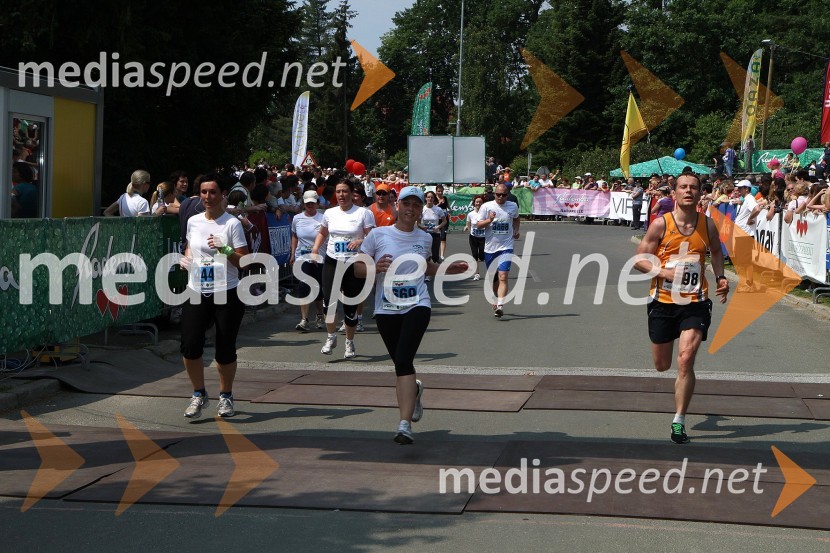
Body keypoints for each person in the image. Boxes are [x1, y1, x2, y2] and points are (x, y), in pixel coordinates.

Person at [355, 186, 468, 444]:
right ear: (397, 205)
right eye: (406, 204)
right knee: (401, 365)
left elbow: (425, 266)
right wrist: (374, 266)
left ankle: (404, 424)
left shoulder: (426, 238)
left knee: (404, 360)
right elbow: (358, 270)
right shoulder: (378, 235)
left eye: (416, 206)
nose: (411, 209)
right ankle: (414, 389)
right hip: (386, 307)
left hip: (418, 303)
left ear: (421, 211)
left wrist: (447, 269)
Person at [634, 173, 730, 444]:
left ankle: (679, 420)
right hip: (663, 302)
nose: (688, 191)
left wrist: (721, 277)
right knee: (662, 365)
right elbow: (639, 261)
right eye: (683, 187)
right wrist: (663, 272)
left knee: (686, 358)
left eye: (693, 188)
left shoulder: (708, 225)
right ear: (674, 193)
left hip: (695, 302)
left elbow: (716, 252)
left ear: (700, 193)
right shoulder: (660, 225)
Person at [179, 174, 250, 419]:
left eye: (212, 192)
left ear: (222, 195)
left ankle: (226, 396)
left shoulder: (232, 224)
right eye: (204, 192)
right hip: (197, 289)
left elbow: (244, 261)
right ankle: (199, 394)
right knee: (189, 345)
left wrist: (225, 249)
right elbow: (190, 245)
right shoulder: (194, 221)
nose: (208, 197)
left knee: (225, 348)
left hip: (227, 291)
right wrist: (186, 258)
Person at [311, 178, 375, 358]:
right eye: (338, 192)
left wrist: (360, 240)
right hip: (332, 260)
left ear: (352, 193)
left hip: (354, 263)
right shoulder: (330, 213)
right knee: (328, 303)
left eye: (345, 191)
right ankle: (331, 337)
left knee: (350, 306)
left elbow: (373, 237)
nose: (341, 195)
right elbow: (323, 233)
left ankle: (349, 342)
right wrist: (315, 249)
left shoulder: (363, 213)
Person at [477, 183, 520, 318]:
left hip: (506, 247)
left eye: (504, 195)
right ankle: (496, 298)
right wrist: (489, 220)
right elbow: (478, 225)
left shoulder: (512, 206)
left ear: (508, 195)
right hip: (490, 248)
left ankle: (500, 305)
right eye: (498, 194)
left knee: (503, 276)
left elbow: (517, 218)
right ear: (494, 194)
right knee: (494, 278)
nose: (501, 197)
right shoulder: (486, 206)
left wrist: (517, 229)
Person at [291, 190, 326, 332]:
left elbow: (327, 236)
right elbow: (294, 236)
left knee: (317, 287)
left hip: (320, 257)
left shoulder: (323, 218)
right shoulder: (297, 218)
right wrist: (292, 253)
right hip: (302, 256)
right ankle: (304, 319)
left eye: (313, 202)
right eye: (307, 203)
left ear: (317, 203)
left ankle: (319, 315)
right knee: (304, 286)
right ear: (303, 204)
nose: (310, 205)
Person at [418, 191, 448, 276]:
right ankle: (427, 273)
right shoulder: (422, 209)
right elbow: (418, 223)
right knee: (426, 254)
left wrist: (438, 227)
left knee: (435, 256)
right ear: (426, 198)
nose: (430, 199)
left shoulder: (438, 209)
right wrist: (422, 227)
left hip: (435, 234)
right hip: (425, 234)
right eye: (428, 197)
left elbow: (444, 221)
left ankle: (442, 266)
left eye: (432, 197)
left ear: (434, 199)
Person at [463, 195, 486, 280]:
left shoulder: (485, 214)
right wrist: (468, 228)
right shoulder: (470, 214)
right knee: (475, 255)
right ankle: (477, 274)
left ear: (483, 203)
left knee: (482, 256)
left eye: (480, 202)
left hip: (483, 237)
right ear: (474, 203)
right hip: (473, 237)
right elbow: (468, 223)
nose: (478, 203)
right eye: (477, 202)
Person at [434, 184, 450, 260]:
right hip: (436, 220)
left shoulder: (445, 198)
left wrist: (450, 210)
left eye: (441, 191)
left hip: (445, 219)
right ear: (436, 191)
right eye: (438, 191)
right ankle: (434, 254)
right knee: (436, 237)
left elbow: (448, 206)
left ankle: (442, 255)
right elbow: (432, 208)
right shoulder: (434, 199)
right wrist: (439, 204)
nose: (440, 192)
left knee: (443, 237)